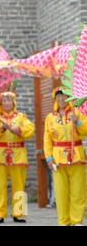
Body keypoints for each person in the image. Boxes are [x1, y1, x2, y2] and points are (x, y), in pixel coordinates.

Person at [0, 91, 35, 224]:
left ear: (13, 103)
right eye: (4, 101)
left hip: (18, 154)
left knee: (19, 185)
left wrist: (17, 130)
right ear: (1, 103)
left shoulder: (21, 117)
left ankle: (18, 213)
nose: (7, 103)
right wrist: (1, 129)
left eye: (9, 100)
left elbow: (30, 130)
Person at [43, 87, 87, 226]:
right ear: (55, 99)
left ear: (68, 98)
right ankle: (63, 221)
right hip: (58, 157)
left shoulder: (77, 112)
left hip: (76, 154)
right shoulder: (50, 117)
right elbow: (47, 139)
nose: (61, 99)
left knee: (78, 190)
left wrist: (77, 122)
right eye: (58, 97)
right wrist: (49, 158)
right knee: (61, 192)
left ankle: (77, 220)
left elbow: (85, 131)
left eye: (64, 96)